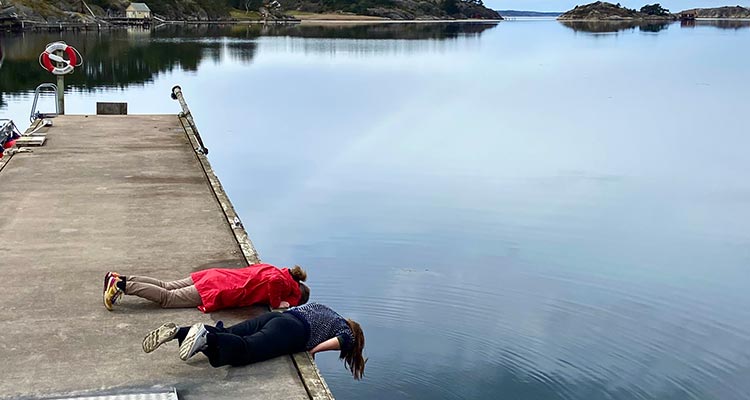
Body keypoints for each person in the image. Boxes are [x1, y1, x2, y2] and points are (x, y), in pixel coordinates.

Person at [142, 302, 367, 380]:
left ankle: (179, 333)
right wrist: (314, 351)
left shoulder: (325, 309)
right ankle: (207, 339)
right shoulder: (344, 329)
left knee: (229, 335)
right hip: (292, 332)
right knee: (246, 351)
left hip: (277, 317)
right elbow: (343, 340)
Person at [103, 263, 310, 312]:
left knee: (167, 285)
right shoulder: (283, 283)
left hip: (215, 275)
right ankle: (121, 286)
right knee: (168, 298)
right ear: (297, 295)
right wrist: (277, 304)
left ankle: (119, 277)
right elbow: (274, 284)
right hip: (219, 288)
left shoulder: (276, 269)